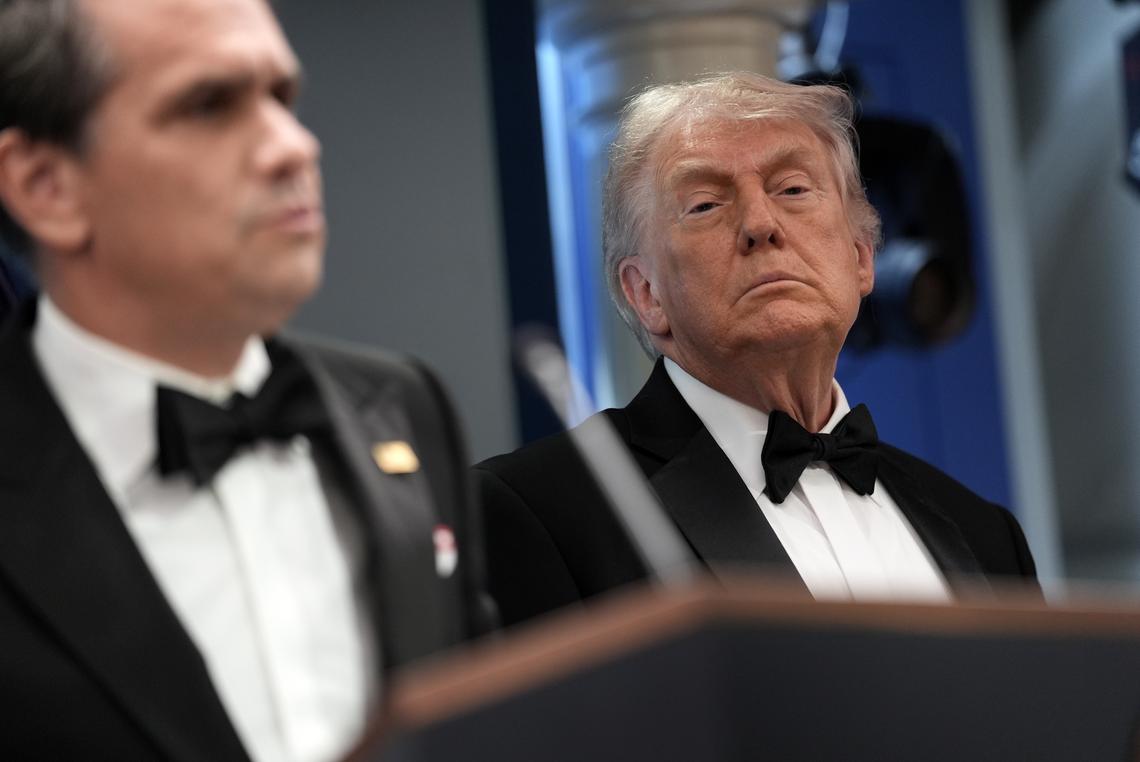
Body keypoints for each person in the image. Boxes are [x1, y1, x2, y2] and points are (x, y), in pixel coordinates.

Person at [0, 0, 490, 759]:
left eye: (282, 97)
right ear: (46, 187)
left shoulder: (403, 406)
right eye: (208, 106)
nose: (294, 145)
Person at [476, 72, 1040, 627]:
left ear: (861, 257)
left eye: (792, 189)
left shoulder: (989, 537)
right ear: (646, 292)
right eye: (705, 205)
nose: (760, 223)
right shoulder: (535, 512)